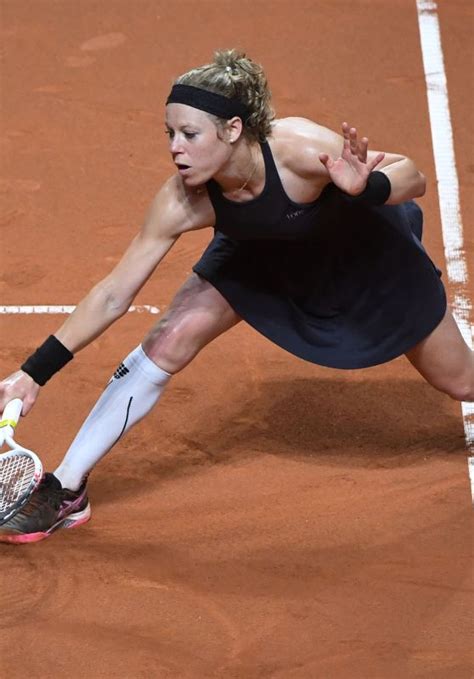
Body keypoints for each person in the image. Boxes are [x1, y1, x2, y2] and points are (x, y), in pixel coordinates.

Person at [0, 49, 472, 543]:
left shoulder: (296, 147)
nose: (175, 149)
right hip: (261, 256)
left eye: (189, 134)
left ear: (231, 129)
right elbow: (115, 292)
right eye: (170, 134)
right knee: (169, 338)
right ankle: (65, 489)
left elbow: (412, 177)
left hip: (363, 258)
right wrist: (34, 372)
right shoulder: (182, 198)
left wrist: (368, 186)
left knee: (460, 380)